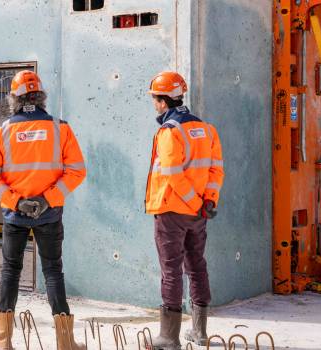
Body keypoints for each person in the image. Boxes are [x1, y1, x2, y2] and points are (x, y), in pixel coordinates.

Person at [0, 70, 87, 350]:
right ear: (41, 97)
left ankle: (3, 341)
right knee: (53, 271)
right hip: (49, 214)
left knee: (10, 271)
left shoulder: (2, 131)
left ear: (14, 98)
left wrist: (18, 202)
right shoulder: (60, 127)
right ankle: (65, 342)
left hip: (15, 215)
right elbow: (76, 171)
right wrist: (47, 199)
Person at [145, 71, 224, 349]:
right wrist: (207, 202)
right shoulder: (207, 129)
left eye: (155, 99)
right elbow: (216, 170)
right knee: (197, 266)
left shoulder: (170, 131)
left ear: (164, 101)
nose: (154, 104)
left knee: (171, 270)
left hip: (172, 210)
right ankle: (200, 332)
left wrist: (192, 202)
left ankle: (168, 337)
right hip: (199, 213)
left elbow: (172, 173)